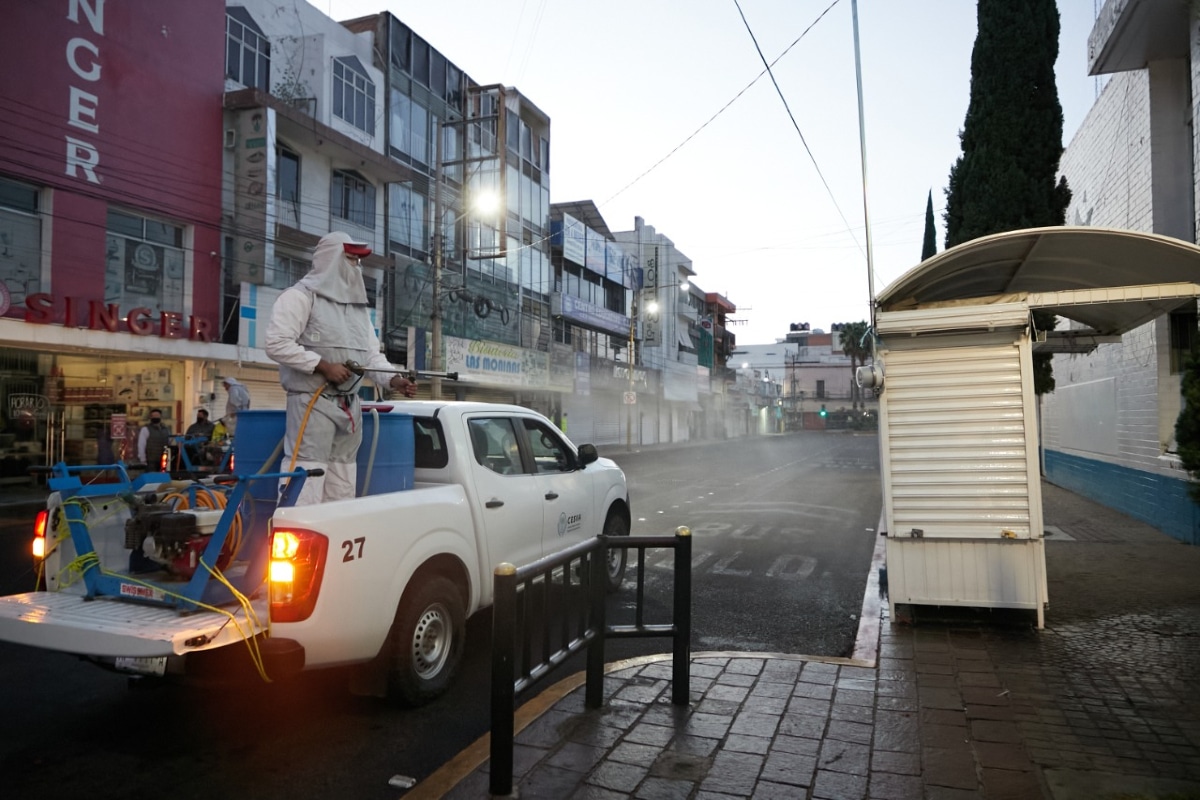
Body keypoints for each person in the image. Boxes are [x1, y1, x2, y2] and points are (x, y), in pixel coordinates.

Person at [265, 231, 417, 505]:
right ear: (330, 260)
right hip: (312, 402)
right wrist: (323, 366)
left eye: (358, 262)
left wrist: (394, 380)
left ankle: (336, 535)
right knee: (307, 473)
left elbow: (370, 356)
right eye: (349, 259)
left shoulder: (358, 311)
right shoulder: (300, 297)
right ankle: (301, 538)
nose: (355, 267)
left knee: (343, 477)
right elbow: (276, 343)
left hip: (350, 407)